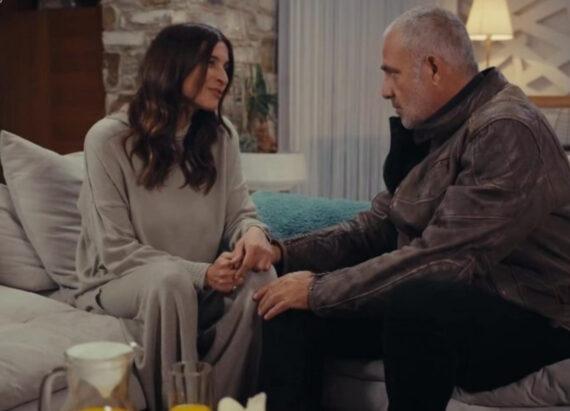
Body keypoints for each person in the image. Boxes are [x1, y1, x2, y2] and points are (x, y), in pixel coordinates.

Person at [255, 6, 570, 411]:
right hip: (461, 298)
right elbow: (379, 226)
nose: (384, 90)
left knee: (417, 303)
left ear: (434, 68)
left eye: (392, 73)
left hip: (535, 314)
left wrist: (319, 290)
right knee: (288, 309)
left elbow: (443, 259)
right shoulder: (439, 126)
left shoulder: (506, 128)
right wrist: (282, 253)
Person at [72, 23, 276, 410]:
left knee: (261, 279)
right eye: (211, 63)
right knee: (170, 281)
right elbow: (115, 250)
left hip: (200, 279)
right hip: (119, 282)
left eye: (226, 66)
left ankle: (219, 403)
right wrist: (201, 273)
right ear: (172, 64)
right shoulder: (107, 139)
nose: (223, 77)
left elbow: (240, 213)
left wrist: (253, 233)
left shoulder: (222, 136)